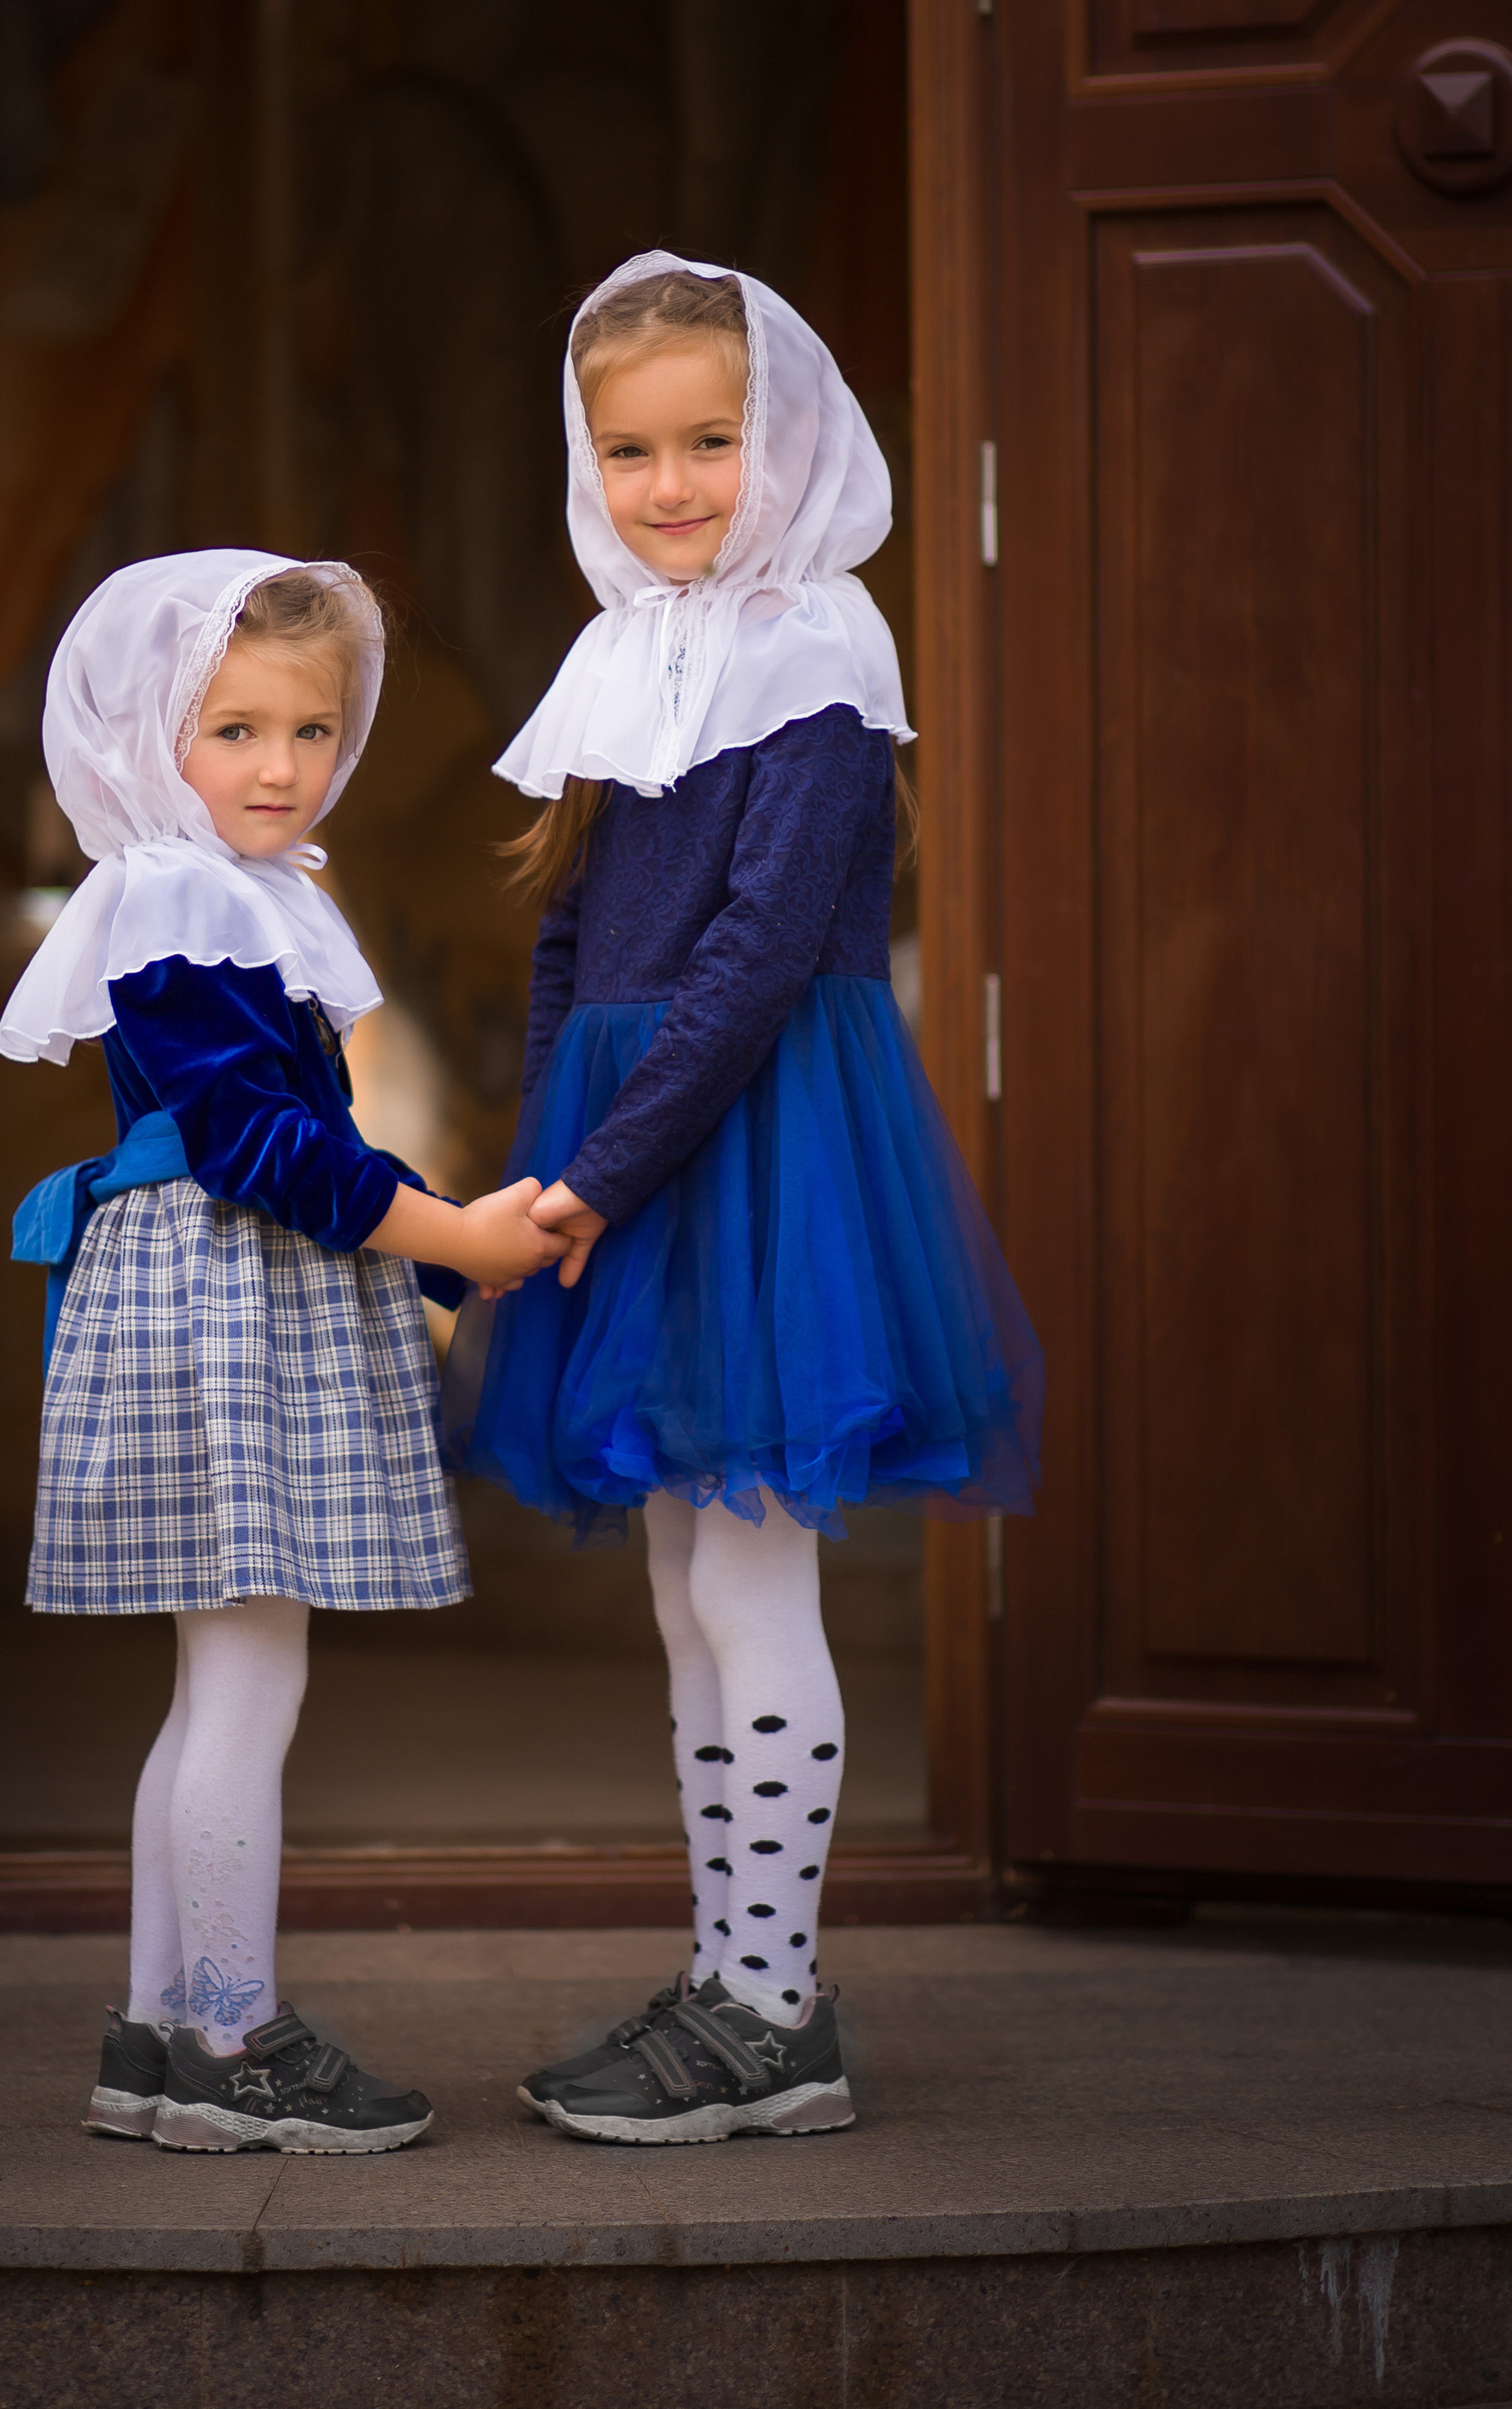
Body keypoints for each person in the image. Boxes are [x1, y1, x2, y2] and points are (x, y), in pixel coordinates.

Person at [444, 253, 1043, 2144]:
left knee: (751, 1555)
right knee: (680, 1576)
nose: (671, 483)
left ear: (780, 442)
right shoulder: (622, 646)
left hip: (753, 1133)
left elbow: (765, 948)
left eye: (708, 441)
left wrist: (599, 1178)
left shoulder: (817, 651)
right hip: (624, 1144)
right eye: (631, 449)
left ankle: (774, 2013)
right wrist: (551, 1153)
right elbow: (569, 929)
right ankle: (727, 1975)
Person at [0, 550, 558, 2155]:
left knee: (215, 1689)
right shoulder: (180, 894)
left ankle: (158, 2035)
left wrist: (452, 1228)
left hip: (233, 1288)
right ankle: (231, 2039)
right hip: (220, 1290)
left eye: (311, 731)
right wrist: (454, 1240)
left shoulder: (243, 894)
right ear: (146, 736)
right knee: (249, 1681)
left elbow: (294, 1135)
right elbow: (260, 1149)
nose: (279, 765)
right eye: (233, 728)